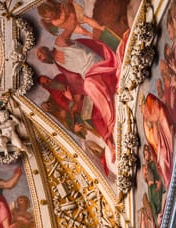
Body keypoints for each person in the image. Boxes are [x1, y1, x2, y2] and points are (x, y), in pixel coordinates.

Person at [36, 9, 120, 162]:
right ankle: (110, 143)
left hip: (96, 64)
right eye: (40, 59)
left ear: (46, 50)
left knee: (90, 87)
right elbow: (74, 83)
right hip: (89, 75)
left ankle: (113, 124)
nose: (42, 59)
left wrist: (66, 10)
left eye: (41, 55)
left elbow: (72, 23)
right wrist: (73, 100)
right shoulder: (58, 66)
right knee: (91, 113)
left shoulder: (60, 43)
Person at [141, 93, 175, 188]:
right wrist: (155, 121)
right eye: (144, 112)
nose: (146, 113)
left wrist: (156, 120)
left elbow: (161, 115)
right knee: (162, 158)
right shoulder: (147, 124)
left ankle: (170, 181)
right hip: (159, 148)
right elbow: (155, 141)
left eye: (146, 109)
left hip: (163, 142)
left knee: (163, 157)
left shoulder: (152, 115)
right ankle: (169, 182)